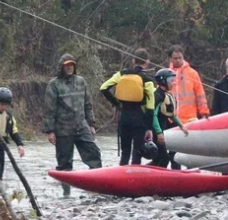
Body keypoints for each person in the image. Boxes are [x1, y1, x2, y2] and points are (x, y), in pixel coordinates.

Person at [43, 53, 102, 195]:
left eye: (71, 65)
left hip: (82, 127)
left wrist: (91, 124)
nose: (69, 68)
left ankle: (95, 189)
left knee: (94, 155)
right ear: (61, 67)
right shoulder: (54, 84)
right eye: (66, 65)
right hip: (63, 130)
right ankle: (66, 193)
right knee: (64, 164)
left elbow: (88, 104)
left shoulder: (81, 81)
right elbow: (49, 109)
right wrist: (50, 131)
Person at [100, 49, 156, 166]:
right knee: (137, 152)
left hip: (124, 117)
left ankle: (122, 177)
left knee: (125, 152)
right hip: (139, 119)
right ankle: (135, 179)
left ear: (133, 61)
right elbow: (150, 107)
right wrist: (149, 128)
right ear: (147, 62)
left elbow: (103, 88)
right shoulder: (148, 80)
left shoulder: (121, 74)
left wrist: (116, 103)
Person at [149, 67, 189, 168]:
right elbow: (153, 115)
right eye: (172, 80)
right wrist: (159, 133)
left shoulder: (168, 95)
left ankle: (174, 177)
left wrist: (182, 126)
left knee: (172, 156)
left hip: (164, 130)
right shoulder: (158, 96)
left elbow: (171, 115)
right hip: (157, 132)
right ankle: (149, 176)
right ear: (163, 81)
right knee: (163, 159)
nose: (174, 83)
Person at [167, 45, 210, 123]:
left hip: (189, 119)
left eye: (180, 58)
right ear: (170, 59)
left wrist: (204, 113)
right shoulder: (165, 74)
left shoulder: (192, 73)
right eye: (175, 58)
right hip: (170, 120)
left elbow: (200, 95)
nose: (178, 60)